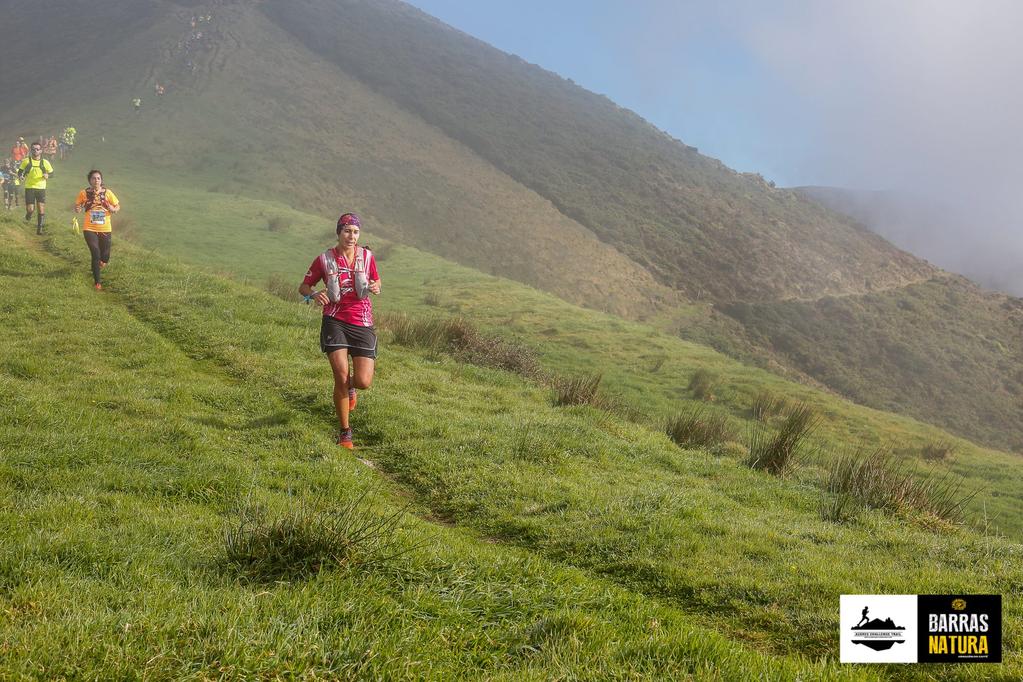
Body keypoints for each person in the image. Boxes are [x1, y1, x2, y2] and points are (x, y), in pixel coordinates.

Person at [298, 212, 381, 449]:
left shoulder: (367, 257)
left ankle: (351, 387)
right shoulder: (324, 259)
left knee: (363, 381)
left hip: (362, 321)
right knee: (340, 376)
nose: (351, 236)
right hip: (334, 320)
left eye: (355, 232)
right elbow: (303, 286)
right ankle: (345, 432)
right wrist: (313, 294)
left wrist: (376, 286)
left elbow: (377, 280)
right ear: (338, 232)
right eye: (346, 231)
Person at [74, 170, 121, 290]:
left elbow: (117, 206)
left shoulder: (108, 193)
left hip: (105, 227)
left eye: (99, 178)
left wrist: (112, 208)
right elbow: (77, 207)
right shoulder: (83, 193)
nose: (96, 180)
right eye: (94, 178)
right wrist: (78, 209)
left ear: (101, 180)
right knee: (95, 253)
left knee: (105, 256)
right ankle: (97, 283)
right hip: (89, 227)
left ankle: (101, 263)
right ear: (90, 180)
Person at [18, 141, 54, 234]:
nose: (35, 151)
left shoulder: (45, 162)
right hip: (29, 187)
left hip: (41, 188)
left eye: (37, 149)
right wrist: (21, 176)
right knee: (30, 209)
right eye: (33, 149)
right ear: (31, 150)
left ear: (41, 151)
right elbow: (20, 171)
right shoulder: (26, 161)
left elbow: (52, 173)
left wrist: (47, 176)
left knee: (41, 207)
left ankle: (40, 229)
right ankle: (29, 215)